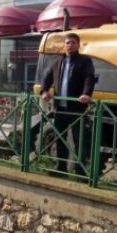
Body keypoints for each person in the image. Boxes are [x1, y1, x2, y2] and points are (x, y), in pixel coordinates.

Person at [40, 32, 95, 175]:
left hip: (76, 107)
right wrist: (44, 91)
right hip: (60, 107)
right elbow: (47, 77)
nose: (70, 45)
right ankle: (61, 168)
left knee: (79, 140)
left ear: (78, 45)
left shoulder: (85, 61)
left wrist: (86, 94)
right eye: (68, 42)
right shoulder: (57, 61)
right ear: (64, 45)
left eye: (73, 43)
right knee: (59, 139)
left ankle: (80, 172)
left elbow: (89, 78)